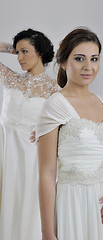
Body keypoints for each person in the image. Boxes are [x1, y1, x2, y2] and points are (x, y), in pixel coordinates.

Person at [37, 27, 103, 240]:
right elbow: (46, 174)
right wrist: (47, 233)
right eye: (79, 58)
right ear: (64, 62)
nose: (88, 67)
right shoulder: (55, 106)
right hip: (74, 204)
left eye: (94, 59)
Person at [0, 28, 59, 240]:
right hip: (5, 153)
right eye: (17, 53)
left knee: (28, 211)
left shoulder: (55, 90)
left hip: (31, 158)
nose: (20, 58)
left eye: (25, 52)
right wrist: (12, 47)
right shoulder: (11, 79)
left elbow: (64, 128)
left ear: (40, 52)